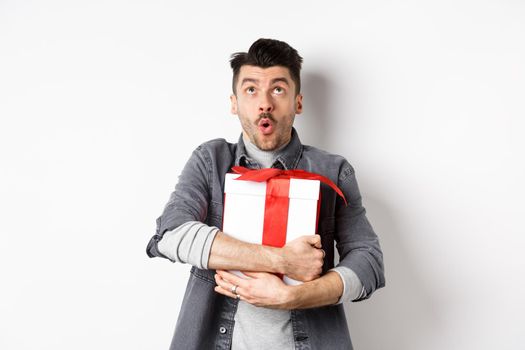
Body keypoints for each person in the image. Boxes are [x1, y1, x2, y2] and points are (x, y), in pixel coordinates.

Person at [146, 38, 385, 350]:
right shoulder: (211, 161)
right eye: (251, 89)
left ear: (298, 102)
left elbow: (369, 262)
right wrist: (283, 260)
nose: (264, 103)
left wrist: (292, 296)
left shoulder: (333, 170)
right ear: (234, 103)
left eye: (278, 89)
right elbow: (170, 235)